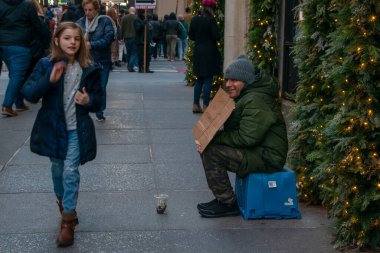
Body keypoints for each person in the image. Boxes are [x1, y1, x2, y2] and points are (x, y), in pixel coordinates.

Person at [21, 22, 103, 247]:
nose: (72, 42)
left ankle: (67, 221)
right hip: (53, 128)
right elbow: (28, 94)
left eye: (76, 38)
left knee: (69, 171)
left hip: (77, 128)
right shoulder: (45, 64)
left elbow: (99, 101)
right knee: (57, 169)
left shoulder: (89, 67)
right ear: (57, 40)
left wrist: (89, 101)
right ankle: (64, 204)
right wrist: (50, 80)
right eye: (67, 38)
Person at [196, 55, 289, 218]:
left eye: (234, 80)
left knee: (212, 152)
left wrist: (214, 138)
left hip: (268, 156)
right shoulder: (245, 96)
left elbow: (247, 137)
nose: (229, 84)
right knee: (210, 148)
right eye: (227, 80)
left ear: (246, 80)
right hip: (258, 151)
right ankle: (222, 198)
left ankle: (227, 203)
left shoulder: (256, 99)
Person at [0, 0, 48, 117]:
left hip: (2, 43)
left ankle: (19, 102)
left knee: (15, 75)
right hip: (20, 44)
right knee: (17, 75)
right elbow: (37, 25)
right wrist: (46, 42)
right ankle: (7, 105)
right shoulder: (27, 5)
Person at [77, 0, 116, 122]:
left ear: (96, 10)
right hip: (85, 60)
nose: (87, 12)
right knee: (83, 87)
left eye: (90, 10)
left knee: (101, 86)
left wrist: (91, 45)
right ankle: (83, 108)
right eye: (85, 10)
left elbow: (108, 38)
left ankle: (99, 111)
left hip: (102, 60)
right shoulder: (80, 23)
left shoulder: (105, 21)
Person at [189, 6, 221, 113]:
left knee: (199, 79)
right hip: (209, 52)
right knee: (208, 79)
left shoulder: (194, 20)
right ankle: (206, 105)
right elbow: (216, 35)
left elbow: (191, 36)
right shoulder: (211, 20)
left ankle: (195, 104)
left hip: (198, 50)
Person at [121, 6, 138, 72]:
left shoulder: (124, 18)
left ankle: (128, 65)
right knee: (134, 52)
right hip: (134, 37)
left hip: (126, 37)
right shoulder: (136, 17)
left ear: (129, 11)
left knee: (128, 52)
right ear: (135, 11)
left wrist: (121, 37)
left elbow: (122, 28)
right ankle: (130, 66)